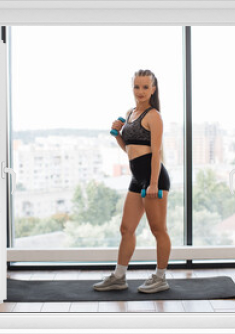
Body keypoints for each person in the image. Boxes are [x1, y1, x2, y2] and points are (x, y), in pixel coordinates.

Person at [93, 69, 171, 294]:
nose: (141, 91)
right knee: (126, 228)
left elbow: (155, 153)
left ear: (153, 89)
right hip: (137, 178)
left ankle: (160, 277)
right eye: (137, 87)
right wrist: (118, 134)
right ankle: (119, 277)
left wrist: (154, 184)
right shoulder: (130, 113)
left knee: (158, 229)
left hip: (154, 178)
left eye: (146, 87)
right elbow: (128, 149)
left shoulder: (154, 116)